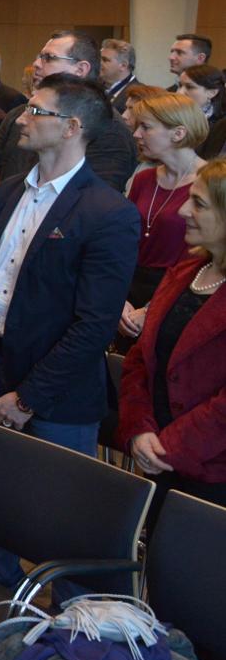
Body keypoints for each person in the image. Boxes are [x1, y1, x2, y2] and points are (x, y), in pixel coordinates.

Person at [0, 75, 138, 590]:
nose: (22, 118)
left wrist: (29, 397)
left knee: (62, 526)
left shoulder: (108, 212)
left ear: (70, 127)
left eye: (36, 111)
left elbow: (94, 325)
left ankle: (68, 633)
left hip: (58, 394)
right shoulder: (9, 192)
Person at [119, 158, 226, 512]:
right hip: (156, 452)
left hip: (211, 474)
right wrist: (140, 428)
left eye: (199, 203)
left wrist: (170, 446)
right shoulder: (186, 269)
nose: (182, 211)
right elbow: (140, 357)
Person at [0, 30, 136, 212]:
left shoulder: (109, 128)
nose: (36, 64)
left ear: (80, 69)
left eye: (49, 58)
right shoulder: (18, 114)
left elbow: (95, 201)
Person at [114, 93, 209, 350]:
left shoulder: (209, 183)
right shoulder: (144, 179)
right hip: (131, 288)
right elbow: (125, 241)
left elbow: (205, 256)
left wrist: (151, 309)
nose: (136, 134)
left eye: (145, 127)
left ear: (178, 133)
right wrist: (119, 299)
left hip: (181, 290)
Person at [175, 64, 225, 158]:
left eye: (190, 87)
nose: (179, 92)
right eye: (180, 86)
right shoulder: (171, 116)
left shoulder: (220, 126)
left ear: (212, 92)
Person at [100, 38, 139, 113]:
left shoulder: (140, 95)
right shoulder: (94, 88)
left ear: (123, 66)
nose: (99, 63)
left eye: (105, 60)